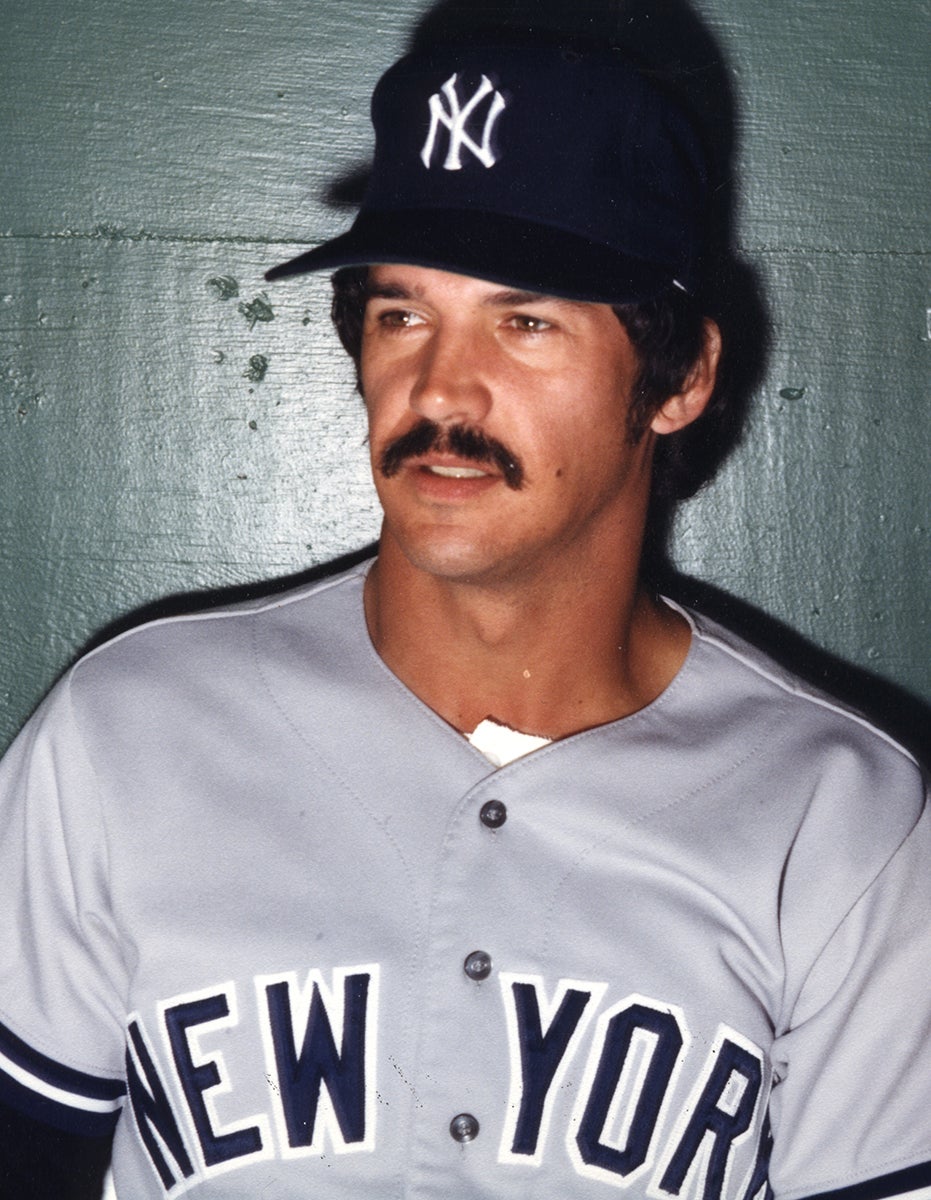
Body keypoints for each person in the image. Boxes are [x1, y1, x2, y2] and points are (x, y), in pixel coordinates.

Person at [1, 32, 928, 1200]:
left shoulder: (844, 820)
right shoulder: (123, 732)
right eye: (401, 316)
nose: (439, 388)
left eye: (524, 321)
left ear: (683, 373)